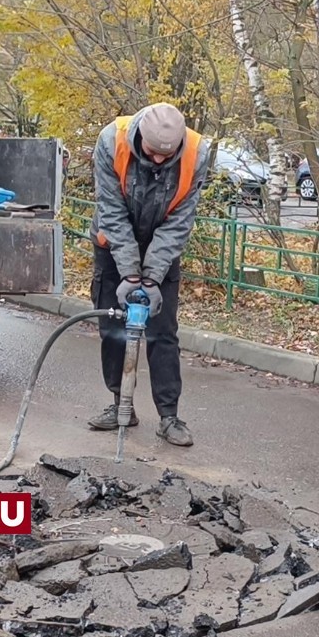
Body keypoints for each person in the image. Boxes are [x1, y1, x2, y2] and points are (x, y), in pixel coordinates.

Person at [87, 102, 210, 447]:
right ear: (141, 136)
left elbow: (179, 221)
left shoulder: (196, 154)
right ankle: (119, 403)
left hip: (163, 245)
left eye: (165, 157)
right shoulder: (112, 141)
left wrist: (152, 277)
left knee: (162, 334)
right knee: (113, 329)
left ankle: (169, 416)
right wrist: (128, 272)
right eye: (152, 153)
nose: (158, 161)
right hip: (113, 243)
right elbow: (110, 210)